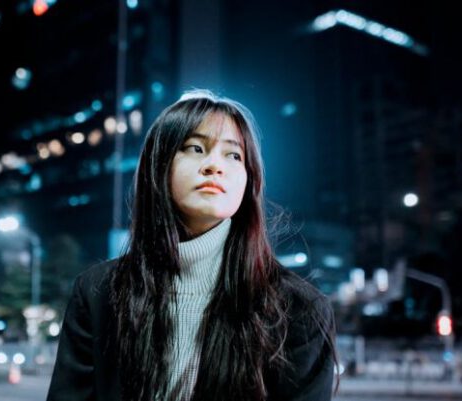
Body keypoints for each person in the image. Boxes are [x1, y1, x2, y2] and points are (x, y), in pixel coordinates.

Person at [46, 90, 337, 401]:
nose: (215, 166)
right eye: (196, 148)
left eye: (234, 155)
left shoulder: (299, 311)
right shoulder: (98, 294)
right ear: (159, 168)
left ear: (249, 181)